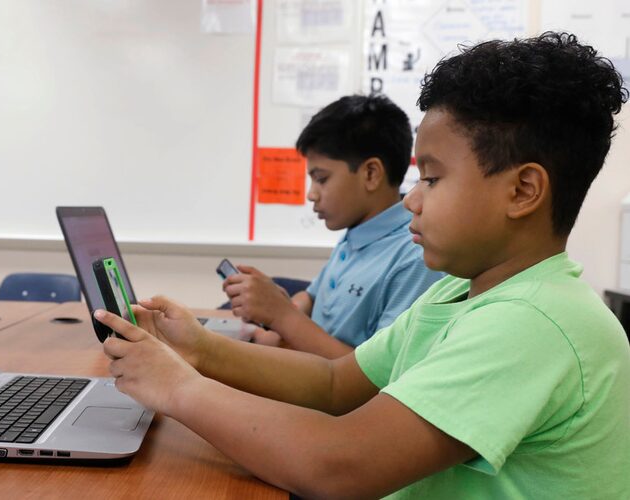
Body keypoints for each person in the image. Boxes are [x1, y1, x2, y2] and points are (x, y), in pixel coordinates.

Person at [95, 32, 630, 498]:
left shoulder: (534, 323)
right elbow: (334, 383)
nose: (413, 200)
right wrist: (200, 348)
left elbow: (339, 465)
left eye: (433, 178)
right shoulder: (459, 293)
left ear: (523, 190)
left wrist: (177, 387)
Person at [224, 94, 443, 358]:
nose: (311, 194)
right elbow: (313, 296)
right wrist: (282, 305)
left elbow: (375, 377)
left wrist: (281, 316)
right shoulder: (358, 231)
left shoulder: (414, 255)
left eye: (321, 179)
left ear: (371, 174)